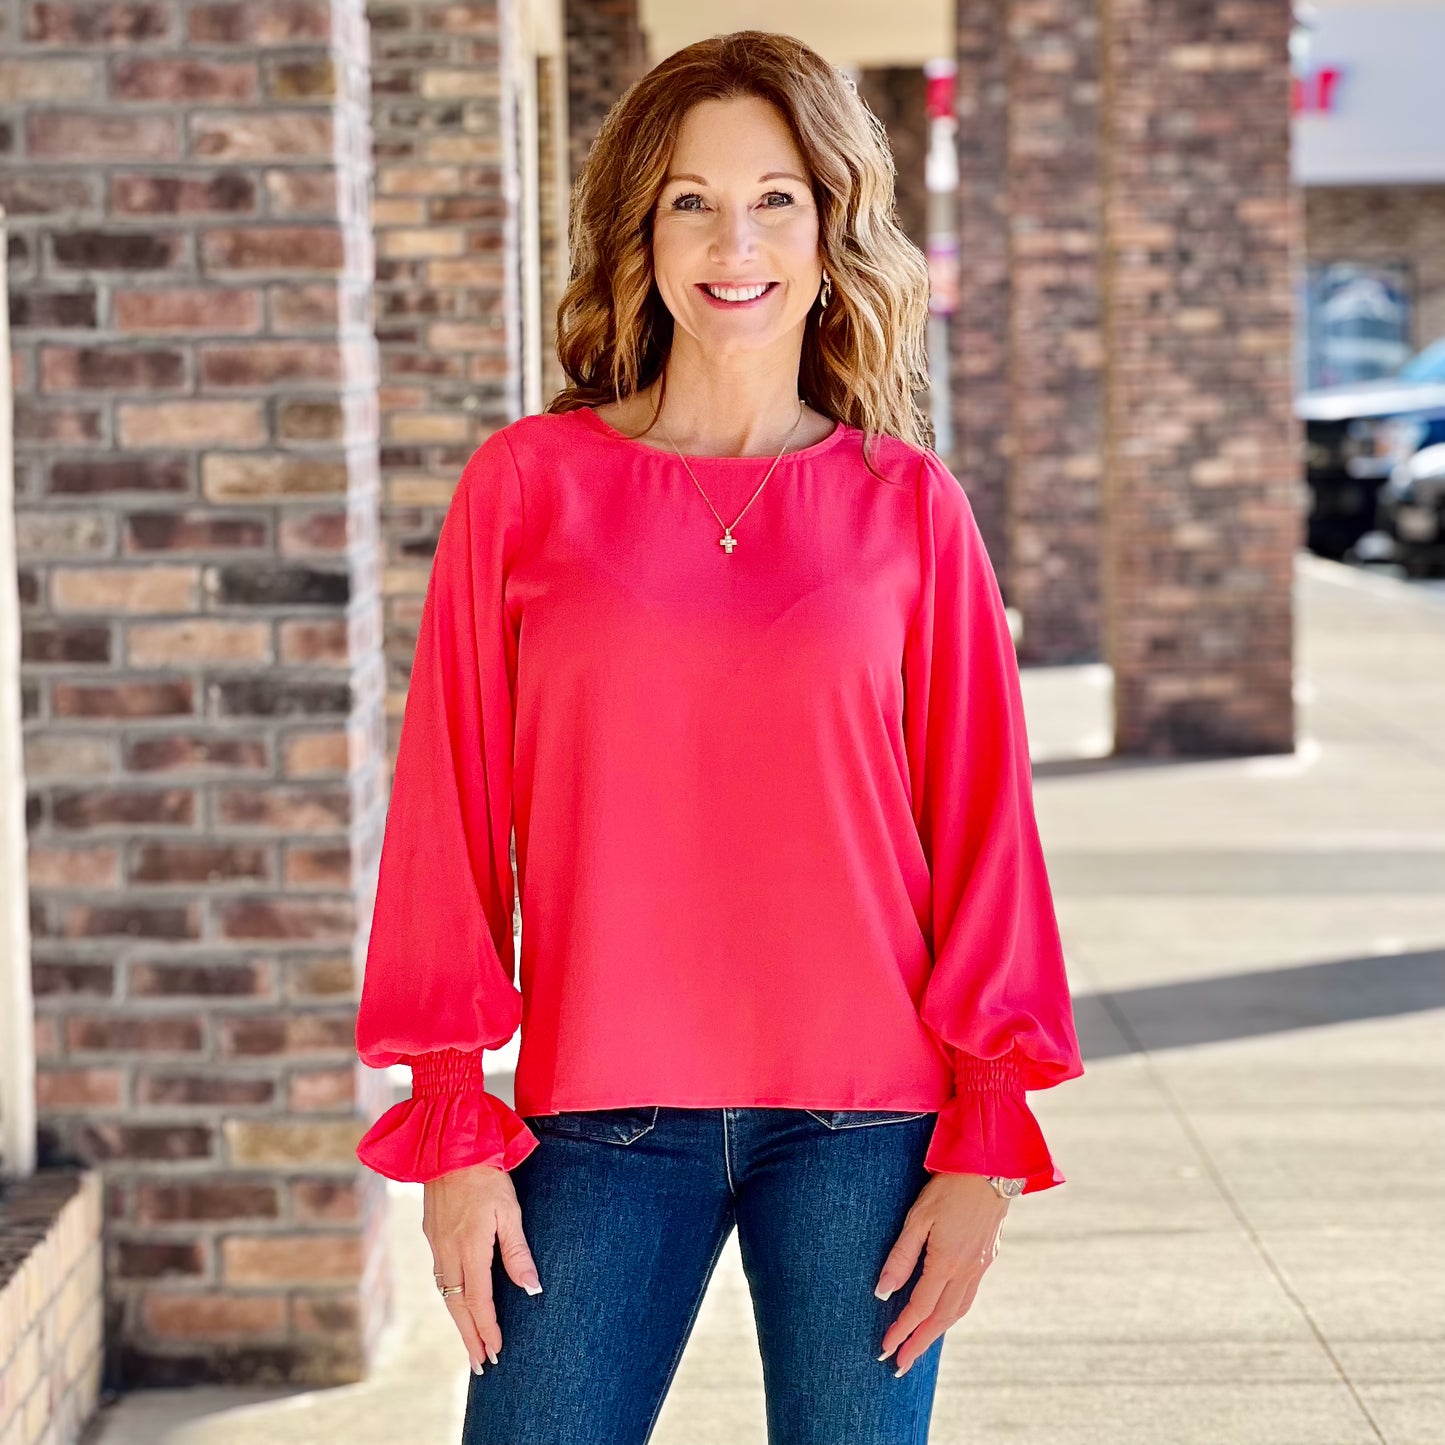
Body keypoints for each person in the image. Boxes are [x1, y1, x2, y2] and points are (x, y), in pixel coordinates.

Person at [353, 29, 1084, 1445]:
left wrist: (981, 1142)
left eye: (773, 197)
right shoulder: (526, 488)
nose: (729, 238)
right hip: (596, 1118)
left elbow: (985, 832)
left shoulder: (907, 507)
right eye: (689, 197)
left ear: (828, 228)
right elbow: (447, 812)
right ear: (642, 224)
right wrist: (451, 1118)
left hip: (870, 1130)